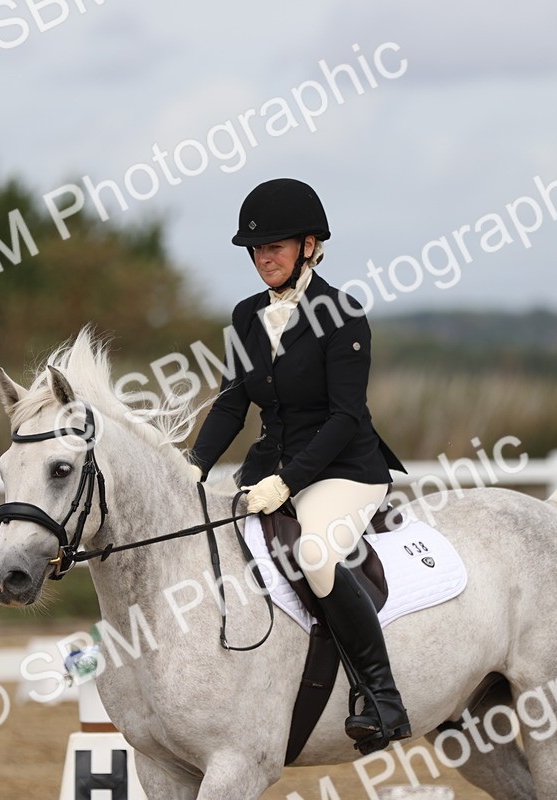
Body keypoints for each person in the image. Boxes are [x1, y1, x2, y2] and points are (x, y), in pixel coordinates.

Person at [187, 178, 411, 753]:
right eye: (257, 250)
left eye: (276, 247)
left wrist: (288, 481)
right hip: (269, 469)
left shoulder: (343, 315)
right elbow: (233, 404)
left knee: (315, 551)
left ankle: (380, 695)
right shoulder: (245, 317)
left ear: (310, 245)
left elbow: (344, 417)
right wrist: (190, 466)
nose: (264, 259)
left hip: (344, 469)